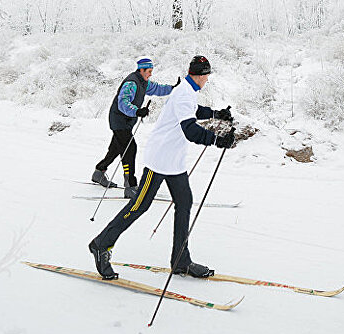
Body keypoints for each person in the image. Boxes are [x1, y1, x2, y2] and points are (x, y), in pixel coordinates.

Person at [88, 55, 234, 280]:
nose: (207, 80)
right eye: (207, 76)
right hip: (159, 160)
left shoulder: (186, 89)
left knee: (184, 203)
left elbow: (193, 109)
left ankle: (180, 261)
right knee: (139, 206)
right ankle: (101, 244)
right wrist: (216, 139)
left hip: (174, 162)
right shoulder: (184, 93)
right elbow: (190, 130)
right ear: (201, 75)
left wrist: (215, 113)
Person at [91, 57, 179, 198]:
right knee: (130, 149)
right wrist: (137, 111)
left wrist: (173, 88)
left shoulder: (143, 82)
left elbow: (157, 88)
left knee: (116, 149)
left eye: (151, 71)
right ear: (141, 70)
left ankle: (99, 172)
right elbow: (123, 103)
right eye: (149, 71)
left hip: (126, 121)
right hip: (119, 121)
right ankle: (130, 186)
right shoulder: (132, 83)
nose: (150, 74)